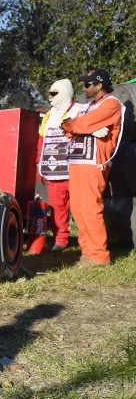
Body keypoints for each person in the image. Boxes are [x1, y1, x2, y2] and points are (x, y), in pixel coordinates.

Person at [61, 69, 124, 266]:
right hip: (78, 161)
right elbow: (67, 126)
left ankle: (99, 256)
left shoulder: (111, 104)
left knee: (90, 208)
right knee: (78, 210)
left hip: (94, 163)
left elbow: (82, 124)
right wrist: (73, 125)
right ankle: (87, 252)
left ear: (99, 85)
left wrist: (76, 125)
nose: (84, 87)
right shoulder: (87, 106)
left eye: (88, 84)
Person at [37, 79, 82, 252]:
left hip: (76, 169)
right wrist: (39, 164)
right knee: (57, 208)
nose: (50, 97)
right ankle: (61, 240)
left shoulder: (80, 110)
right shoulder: (49, 115)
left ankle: (87, 243)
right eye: (49, 93)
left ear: (65, 92)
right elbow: (42, 141)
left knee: (80, 208)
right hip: (53, 169)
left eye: (54, 93)